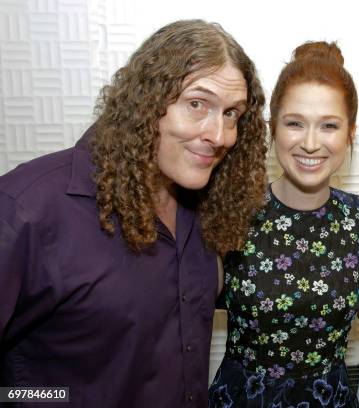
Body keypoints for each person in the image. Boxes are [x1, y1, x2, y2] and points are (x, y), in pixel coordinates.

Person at [0, 19, 267, 407]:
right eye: (197, 104)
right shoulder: (26, 209)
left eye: (232, 113)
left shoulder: (207, 206)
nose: (220, 134)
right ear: (146, 102)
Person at [209, 41, 359, 408]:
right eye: (295, 123)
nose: (311, 143)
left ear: (351, 133)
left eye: (329, 126)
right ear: (273, 128)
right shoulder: (232, 211)